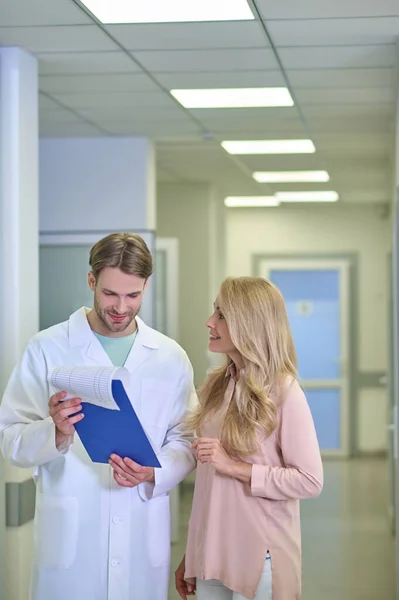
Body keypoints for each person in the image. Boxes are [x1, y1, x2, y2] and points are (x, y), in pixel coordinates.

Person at [0, 232, 196, 600]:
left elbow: (186, 438)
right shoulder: (47, 348)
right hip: (72, 546)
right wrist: (55, 432)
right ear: (91, 281)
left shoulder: (170, 357)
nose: (121, 307)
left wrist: (155, 472)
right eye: (110, 294)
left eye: (133, 295)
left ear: (146, 286)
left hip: (142, 534)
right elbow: (9, 439)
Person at [175, 276, 323, 600]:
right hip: (213, 555)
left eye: (221, 315)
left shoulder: (284, 392)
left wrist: (235, 467)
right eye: (214, 312)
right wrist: (193, 555)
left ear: (249, 323)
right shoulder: (216, 387)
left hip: (261, 558)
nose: (209, 322)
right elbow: (208, 485)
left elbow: (310, 480)